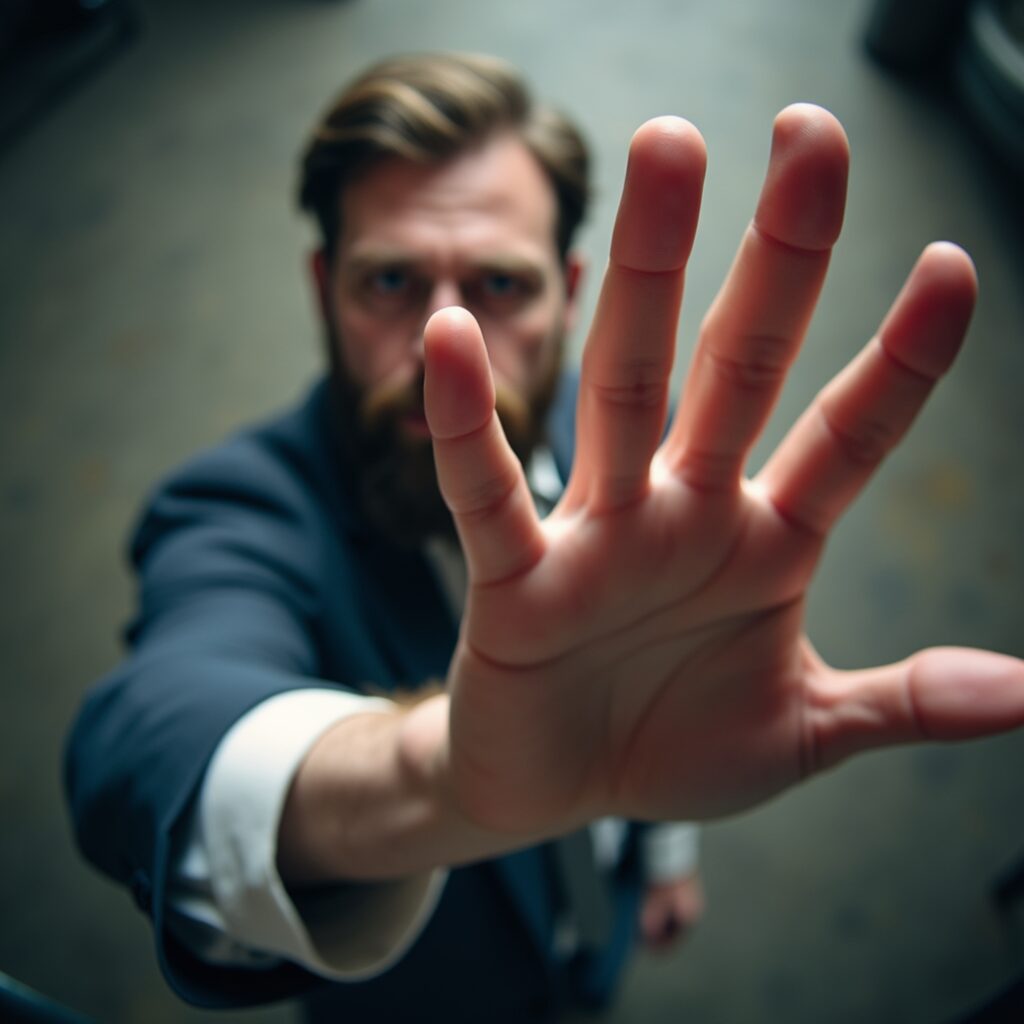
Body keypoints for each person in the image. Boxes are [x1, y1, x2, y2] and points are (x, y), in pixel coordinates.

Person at [64, 52, 1024, 1023]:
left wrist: (664, 857)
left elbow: (672, 671)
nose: (448, 341)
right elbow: (144, 749)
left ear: (568, 291)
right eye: (389, 279)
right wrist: (435, 779)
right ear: (322, 288)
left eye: (500, 285)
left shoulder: (644, 457)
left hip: (600, 942)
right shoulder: (238, 507)